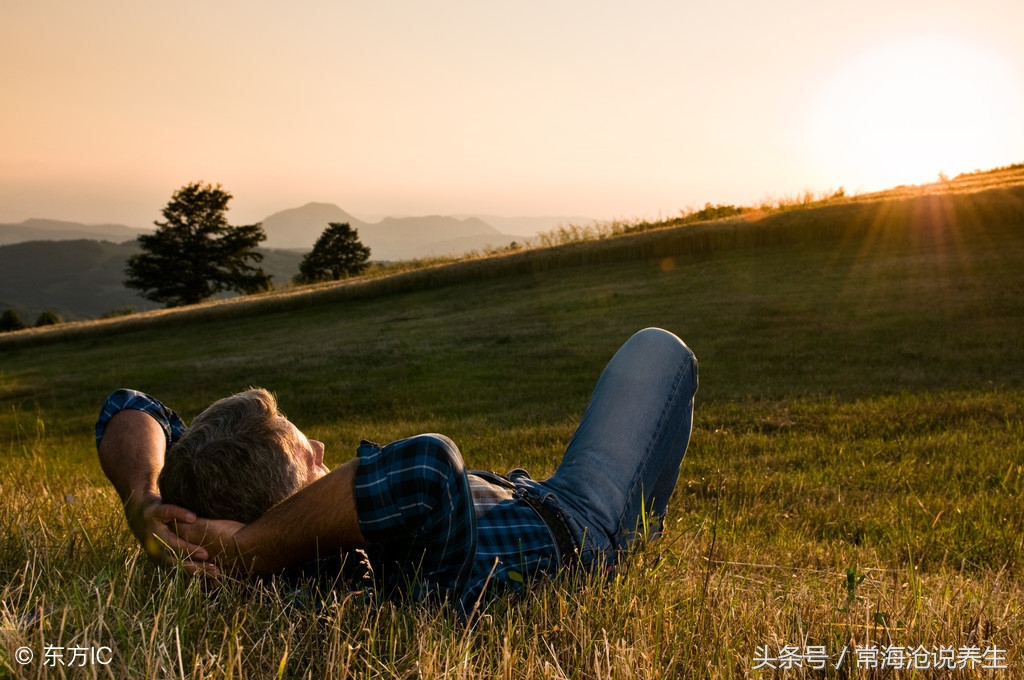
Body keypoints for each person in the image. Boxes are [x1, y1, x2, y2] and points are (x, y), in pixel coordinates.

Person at [97, 327, 698, 614]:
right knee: (659, 352)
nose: (323, 448)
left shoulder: (209, 496)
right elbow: (429, 465)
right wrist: (252, 548)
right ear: (287, 510)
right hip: (578, 522)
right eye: (311, 458)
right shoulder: (368, 575)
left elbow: (129, 405)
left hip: (519, 491)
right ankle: (635, 534)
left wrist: (143, 499)